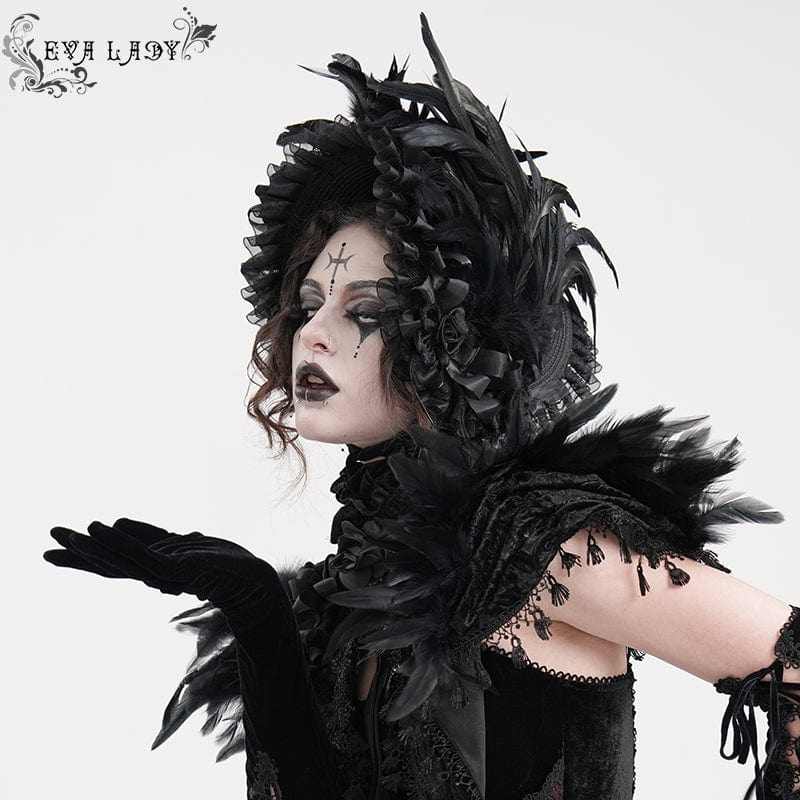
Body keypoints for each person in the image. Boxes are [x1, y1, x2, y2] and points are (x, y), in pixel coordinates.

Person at [43, 13, 799, 800]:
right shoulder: (355, 589)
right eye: (310, 303)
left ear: (449, 337)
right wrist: (256, 606)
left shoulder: (533, 542)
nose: (314, 334)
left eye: (365, 311)